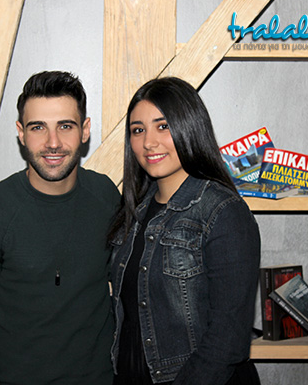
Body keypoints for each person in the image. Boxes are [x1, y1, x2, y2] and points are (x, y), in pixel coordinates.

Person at [0, 71, 120, 385]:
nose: (53, 143)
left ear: (85, 130)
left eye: (65, 126)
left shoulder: (106, 196)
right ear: (21, 133)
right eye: (38, 127)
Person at [108, 77, 261, 385]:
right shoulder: (134, 212)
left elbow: (228, 339)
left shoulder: (223, 212)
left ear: (189, 127)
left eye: (163, 126)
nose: (149, 142)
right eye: (138, 130)